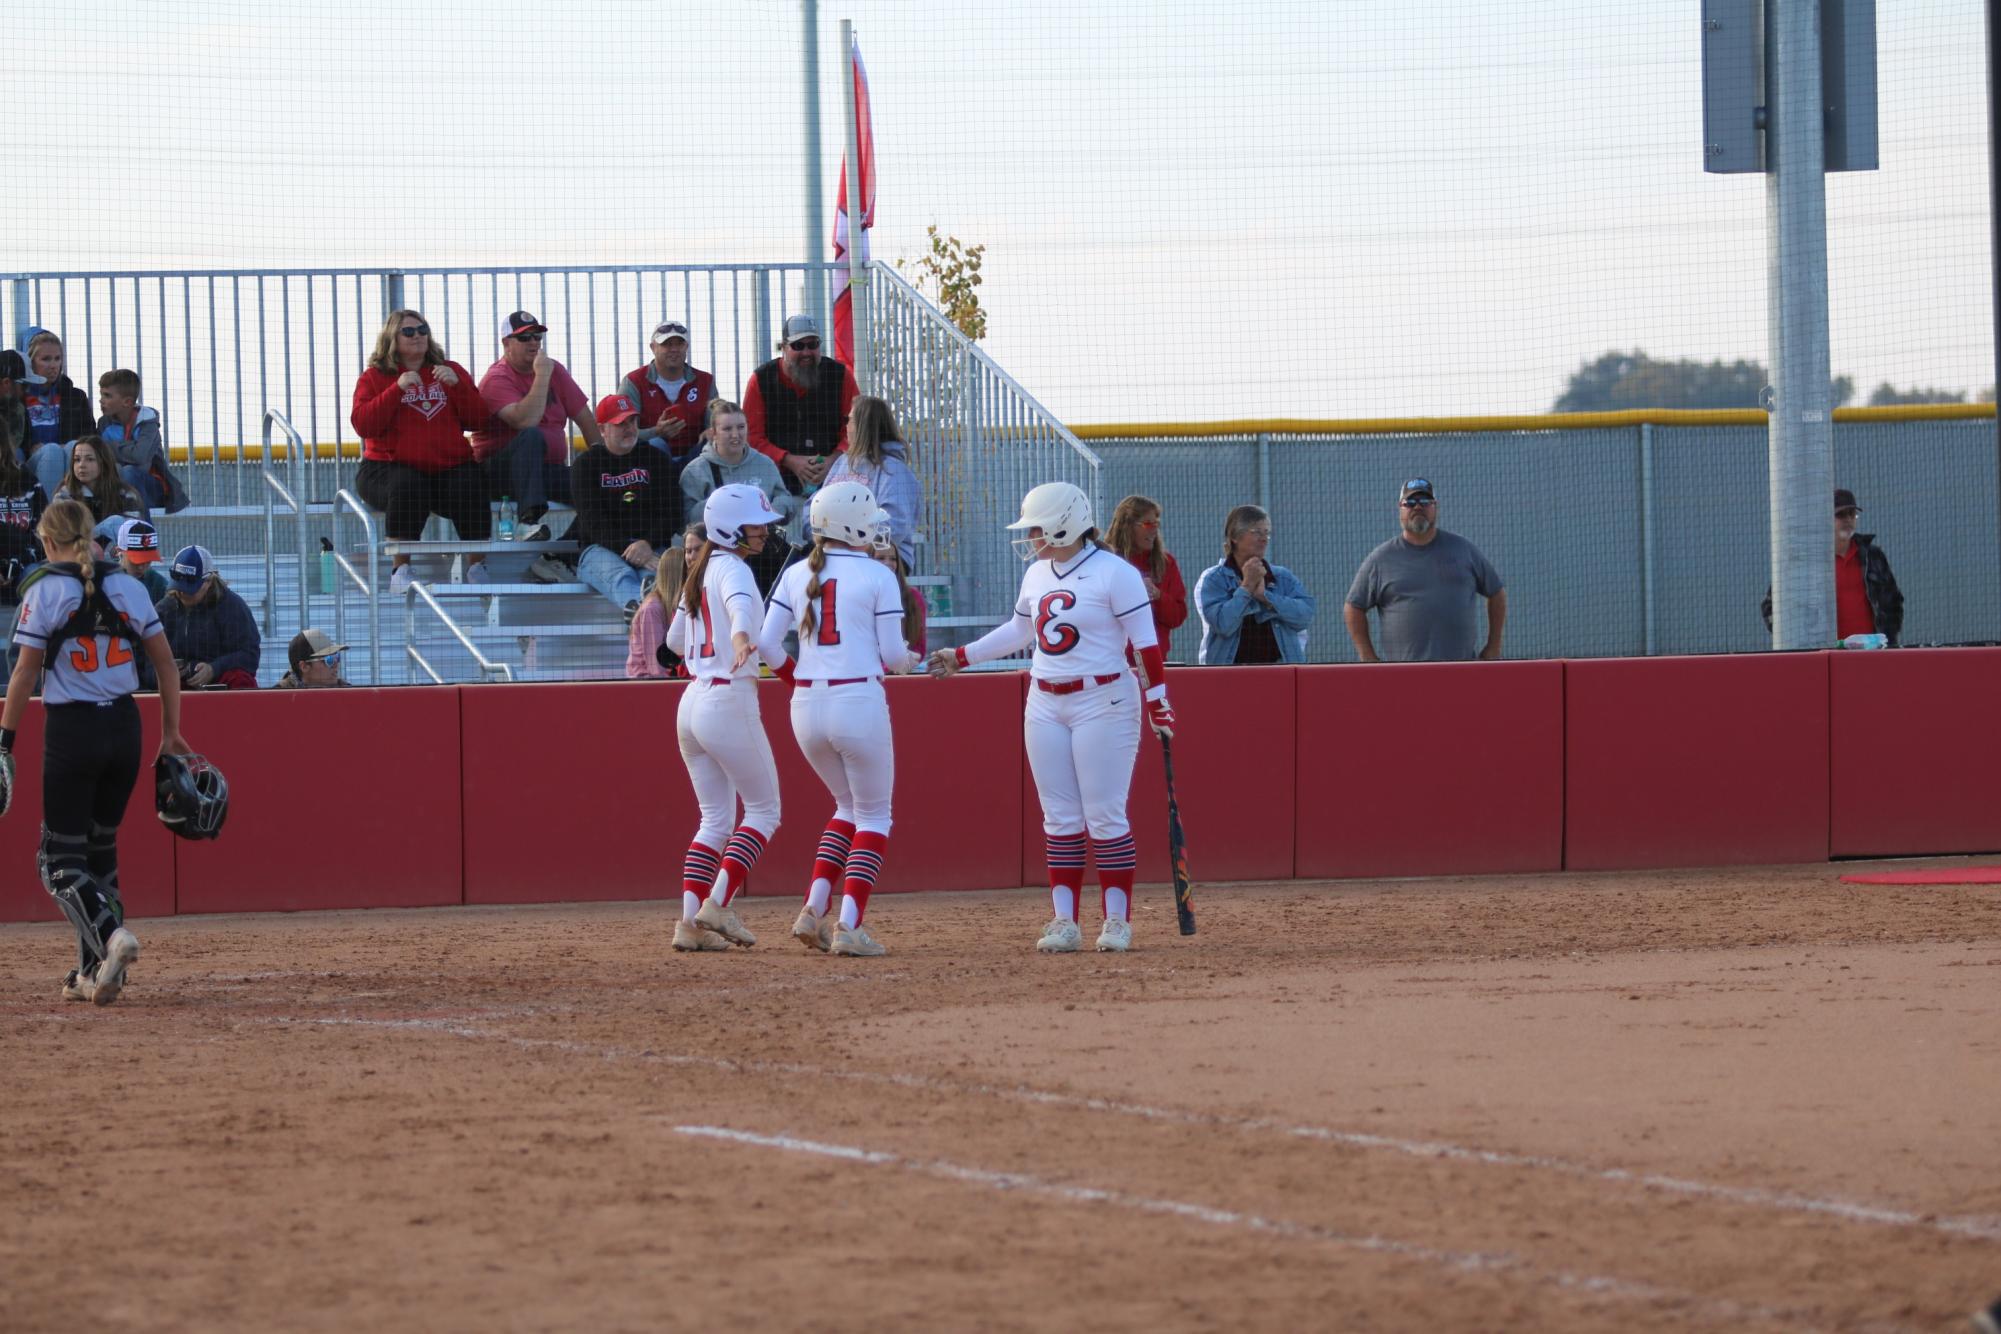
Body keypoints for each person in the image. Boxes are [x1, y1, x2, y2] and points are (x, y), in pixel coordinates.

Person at [925, 482, 1175, 954]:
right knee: (1059, 817)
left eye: (1037, 527)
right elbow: (1019, 630)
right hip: (1045, 699)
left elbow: (1145, 642)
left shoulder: (1113, 573)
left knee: (1104, 814)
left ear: (1064, 524)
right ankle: (1064, 920)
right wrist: (964, 654)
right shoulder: (1039, 573)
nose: (1032, 537)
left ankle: (1117, 920)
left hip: (1104, 699)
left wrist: (1157, 698)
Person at [0, 498, 191, 1005]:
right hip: (124, 728)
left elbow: (23, 673)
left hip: (73, 731)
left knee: (57, 860)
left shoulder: (45, 591)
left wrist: (4, 740)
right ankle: (95, 972)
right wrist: (170, 733)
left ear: (47, 540)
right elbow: (167, 668)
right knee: (99, 851)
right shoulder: (129, 585)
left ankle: (112, 937)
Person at [755, 481, 921, 959]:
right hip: (858, 699)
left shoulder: (793, 574)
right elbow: (892, 655)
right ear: (851, 524)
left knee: (846, 808)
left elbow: (768, 649)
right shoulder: (877, 576)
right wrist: (910, 660)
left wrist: (799, 683)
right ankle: (848, 924)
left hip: (806, 707)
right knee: (874, 816)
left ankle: (813, 909)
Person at [668, 485, 786, 954]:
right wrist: (739, 638)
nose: (764, 530)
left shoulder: (698, 569)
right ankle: (717, 904)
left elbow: (676, 642)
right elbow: (739, 606)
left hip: (692, 699)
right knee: (764, 812)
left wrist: (724, 635)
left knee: (714, 820)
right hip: (726, 697)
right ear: (732, 527)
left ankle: (689, 925)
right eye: (756, 523)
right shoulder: (732, 567)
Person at [350, 309, 496, 594]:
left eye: (422, 330)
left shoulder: (449, 370)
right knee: (407, 483)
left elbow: (479, 421)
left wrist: (458, 387)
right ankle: (400, 570)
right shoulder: (375, 377)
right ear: (392, 338)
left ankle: (477, 567)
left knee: (471, 481)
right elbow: (364, 424)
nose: (418, 336)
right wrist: (396, 389)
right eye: (408, 331)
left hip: (445, 468)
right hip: (386, 469)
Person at [1343, 479, 1505, 663]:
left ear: (1435, 507)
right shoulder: (1381, 559)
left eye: (1425, 502)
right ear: (1400, 508)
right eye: (1410, 503)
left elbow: (1497, 593)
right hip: (1404, 676)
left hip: (1462, 670)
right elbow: (1353, 607)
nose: (1418, 507)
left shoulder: (1464, 550)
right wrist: (1367, 657)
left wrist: (1494, 647)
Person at [471, 311, 599, 539]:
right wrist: (541, 376)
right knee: (531, 435)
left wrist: (604, 463)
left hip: (545, 471)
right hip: (502, 474)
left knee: (600, 488)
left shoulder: (554, 369)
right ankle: (527, 521)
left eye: (537, 337)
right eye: (524, 337)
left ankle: (558, 559)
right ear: (506, 343)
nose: (533, 342)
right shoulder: (497, 378)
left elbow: (585, 419)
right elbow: (525, 420)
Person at [571, 395, 684, 622]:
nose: (629, 428)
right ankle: (649, 617)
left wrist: (647, 544)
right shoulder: (586, 464)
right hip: (600, 548)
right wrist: (630, 548)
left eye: (632, 422)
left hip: (650, 546)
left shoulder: (656, 459)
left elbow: (673, 512)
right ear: (602, 429)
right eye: (620, 423)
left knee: (654, 575)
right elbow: (592, 520)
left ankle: (643, 616)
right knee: (622, 576)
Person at [681, 400, 800, 593]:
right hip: (719, 554)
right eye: (727, 429)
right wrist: (725, 504)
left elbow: (786, 499)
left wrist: (768, 511)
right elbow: (689, 518)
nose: (735, 435)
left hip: (763, 550)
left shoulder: (764, 463)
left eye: (741, 427)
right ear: (713, 433)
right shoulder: (695, 470)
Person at [1760, 488, 1905, 645]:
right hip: (1824, 657)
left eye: (1852, 514)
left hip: (1871, 653)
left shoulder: (1873, 557)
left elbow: (1894, 602)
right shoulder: (1804, 562)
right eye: (1840, 515)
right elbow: (1771, 607)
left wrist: (1887, 640)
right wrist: (1799, 642)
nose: (1848, 519)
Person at [742, 313, 858, 493]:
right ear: (783, 347)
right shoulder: (760, 380)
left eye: (813, 345)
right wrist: (789, 460)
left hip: (836, 477)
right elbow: (752, 437)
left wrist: (834, 461)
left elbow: (857, 427)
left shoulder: (841, 376)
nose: (806, 352)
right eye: (798, 346)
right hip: (777, 482)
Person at [1194, 505, 1316, 665]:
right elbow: (1223, 624)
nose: (1264, 539)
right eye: (1256, 532)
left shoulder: (1282, 577)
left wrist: (1266, 598)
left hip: (1280, 671)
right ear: (1234, 537)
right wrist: (1246, 588)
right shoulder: (1213, 579)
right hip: (1230, 675)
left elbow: (1305, 616)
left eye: (1267, 533)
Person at [824, 395, 921, 569]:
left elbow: (894, 527)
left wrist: (846, 540)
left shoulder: (893, 470)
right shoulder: (841, 463)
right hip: (837, 554)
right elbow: (814, 508)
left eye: (850, 420)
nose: (846, 426)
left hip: (882, 559)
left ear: (862, 427)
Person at [156, 545, 260, 690]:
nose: (182, 593)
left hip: (220, 684)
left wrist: (214, 668)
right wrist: (170, 670)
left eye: (190, 587)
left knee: (240, 678)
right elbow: (146, 660)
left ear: (209, 581)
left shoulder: (232, 607)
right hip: (177, 684)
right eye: (179, 586)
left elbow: (250, 655)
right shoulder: (164, 609)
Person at [95, 369, 189, 515]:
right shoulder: (104, 423)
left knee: (130, 472)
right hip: (116, 485)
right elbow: (101, 456)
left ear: (127, 402)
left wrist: (109, 447)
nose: (101, 400)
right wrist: (128, 449)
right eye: (101, 394)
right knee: (118, 473)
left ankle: (140, 521)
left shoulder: (148, 423)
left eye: (107, 396)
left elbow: (140, 457)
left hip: (151, 486)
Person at [618, 320, 715, 460]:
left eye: (679, 344)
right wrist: (656, 432)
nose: (674, 349)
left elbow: (715, 423)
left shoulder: (705, 381)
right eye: (666, 344)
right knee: (656, 444)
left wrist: (711, 431)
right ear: (653, 348)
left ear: (686, 346)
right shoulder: (634, 382)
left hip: (696, 455)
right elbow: (623, 433)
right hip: (649, 460)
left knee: (710, 444)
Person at [1105, 495, 1189, 652]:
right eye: (1148, 524)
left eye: (1156, 524)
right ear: (1127, 526)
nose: (1154, 530)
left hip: (1154, 659)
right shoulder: (1106, 562)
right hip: (1114, 661)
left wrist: (1157, 595)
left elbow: (1178, 617)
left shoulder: (1166, 563)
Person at [19, 329, 95, 499]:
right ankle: (49, 517)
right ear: (30, 362)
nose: (53, 365)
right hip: (32, 462)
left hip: (66, 455)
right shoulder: (19, 396)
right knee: (52, 451)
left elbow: (90, 435)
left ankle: (76, 510)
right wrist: (31, 446)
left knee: (74, 447)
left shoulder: (75, 396)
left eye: (57, 359)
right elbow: (12, 437)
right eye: (45, 359)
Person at [625, 527, 699, 680]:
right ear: (680, 574)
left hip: (671, 677)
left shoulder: (676, 605)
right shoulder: (653, 608)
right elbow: (656, 666)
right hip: (646, 683)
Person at [0, 402, 47, 607]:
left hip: (23, 566)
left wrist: (15, 564)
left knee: (39, 578)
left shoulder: (27, 480)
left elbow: (43, 535)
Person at [54, 435, 147, 525]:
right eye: (77, 460)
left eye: (90, 459)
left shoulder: (125, 494)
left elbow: (132, 530)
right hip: (79, 540)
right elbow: (64, 532)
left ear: (104, 463)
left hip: (116, 540)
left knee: (116, 522)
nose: (81, 465)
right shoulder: (64, 494)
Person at [871, 515, 928, 656]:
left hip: (903, 670)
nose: (888, 563)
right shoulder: (859, 597)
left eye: (893, 559)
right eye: (880, 558)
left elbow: (919, 648)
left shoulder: (913, 597)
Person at [112, 518, 168, 605]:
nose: (141, 567)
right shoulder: (109, 581)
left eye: (147, 561)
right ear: (119, 551)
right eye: (135, 561)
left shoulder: (157, 584)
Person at [273, 628, 349, 689]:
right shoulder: (277, 699)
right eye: (329, 660)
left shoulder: (347, 692)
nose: (336, 665)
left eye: (337, 657)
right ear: (304, 666)